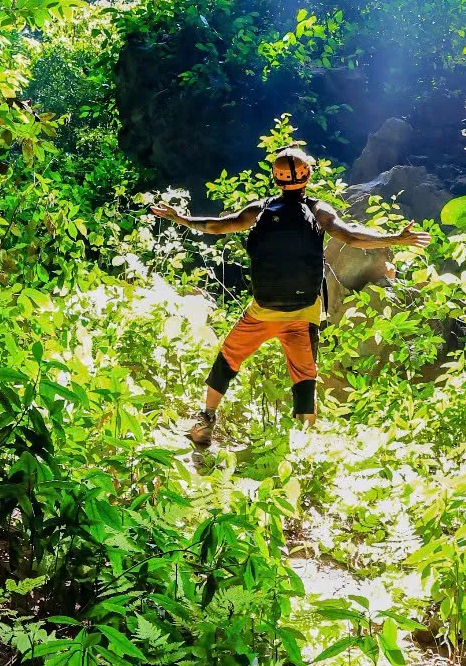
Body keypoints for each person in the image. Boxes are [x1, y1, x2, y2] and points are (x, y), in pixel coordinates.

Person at [148, 148, 426, 446]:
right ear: (308, 176)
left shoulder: (260, 209)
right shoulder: (319, 211)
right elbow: (350, 236)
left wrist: (182, 219)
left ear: (276, 179)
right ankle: (305, 442)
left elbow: (219, 225)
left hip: (263, 310)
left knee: (228, 359)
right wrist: (395, 238)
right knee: (305, 377)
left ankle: (206, 420)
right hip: (303, 312)